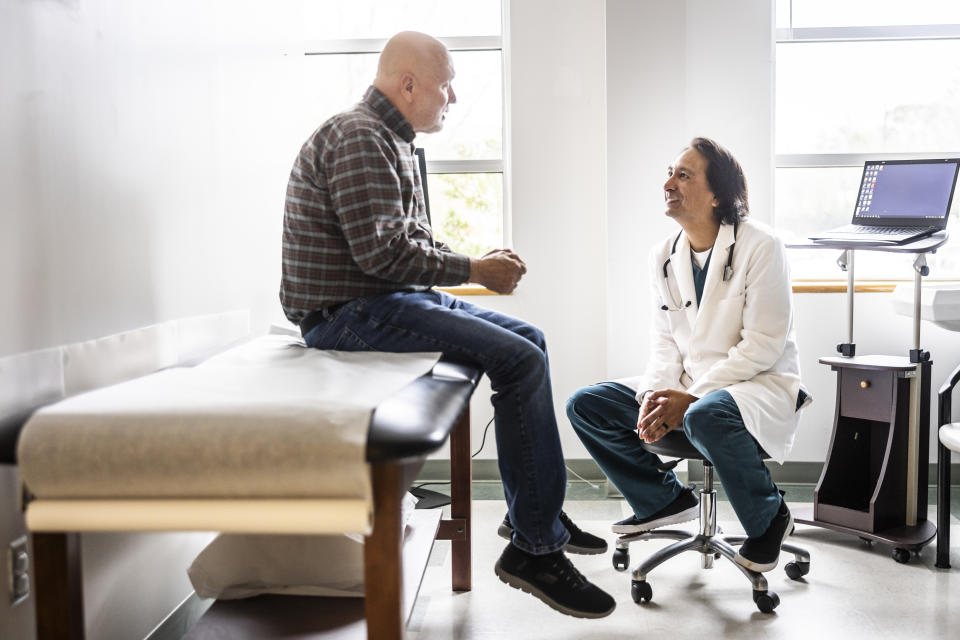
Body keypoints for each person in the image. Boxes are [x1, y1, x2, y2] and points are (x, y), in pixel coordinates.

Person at [280, 31, 614, 618]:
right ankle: (535, 551)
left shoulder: (389, 139)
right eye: (445, 85)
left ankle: (530, 511)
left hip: (383, 299)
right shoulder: (360, 137)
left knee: (530, 341)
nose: (451, 98)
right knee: (523, 360)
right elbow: (382, 257)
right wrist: (476, 271)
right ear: (408, 85)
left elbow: (402, 244)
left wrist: (473, 263)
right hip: (344, 316)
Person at [567, 137, 810, 572]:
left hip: (755, 385)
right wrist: (654, 394)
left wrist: (691, 398)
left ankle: (770, 516)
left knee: (704, 414)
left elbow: (763, 345)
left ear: (717, 193)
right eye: (669, 173)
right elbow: (664, 339)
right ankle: (661, 499)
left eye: (683, 175)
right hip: (691, 389)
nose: (669, 183)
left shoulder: (762, 246)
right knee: (588, 404)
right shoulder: (664, 255)